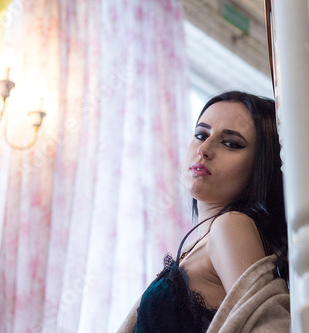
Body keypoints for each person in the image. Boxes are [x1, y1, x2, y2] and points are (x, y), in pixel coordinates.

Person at [118, 91, 290, 333]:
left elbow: (272, 327)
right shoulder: (204, 238)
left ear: (262, 166)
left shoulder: (231, 226)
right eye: (201, 135)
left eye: (231, 143)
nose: (205, 149)